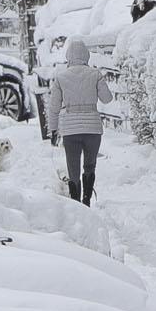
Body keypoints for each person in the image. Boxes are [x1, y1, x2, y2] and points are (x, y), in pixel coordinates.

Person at [46, 38, 109, 206]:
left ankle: (76, 204)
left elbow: (53, 107)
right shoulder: (95, 74)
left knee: (73, 170)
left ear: (68, 56)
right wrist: (100, 82)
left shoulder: (61, 77)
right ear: (86, 56)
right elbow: (107, 99)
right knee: (90, 166)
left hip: (70, 131)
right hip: (93, 130)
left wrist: (53, 130)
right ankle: (87, 199)